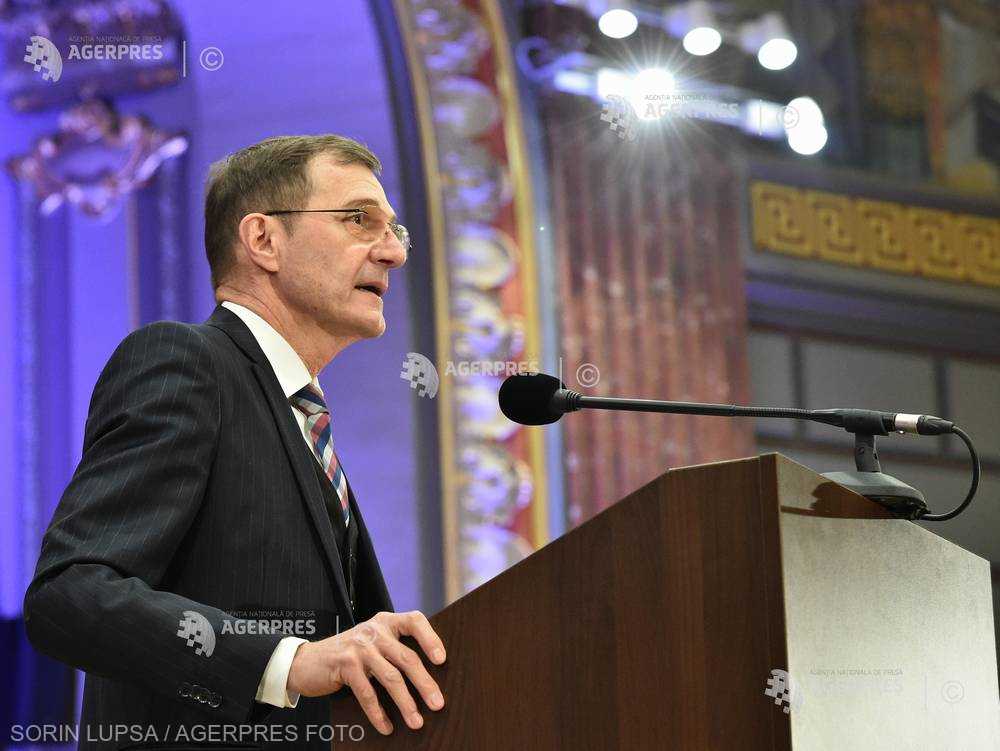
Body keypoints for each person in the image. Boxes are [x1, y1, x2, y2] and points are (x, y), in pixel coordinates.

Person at [23, 134, 445, 749]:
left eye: (394, 230)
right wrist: (289, 662)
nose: (394, 252)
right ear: (263, 240)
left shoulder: (298, 415)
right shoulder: (184, 362)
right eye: (359, 219)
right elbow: (71, 594)